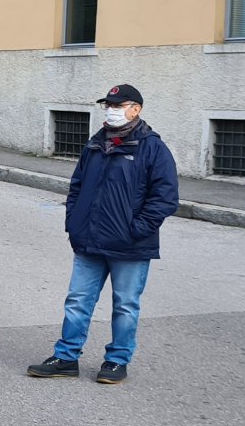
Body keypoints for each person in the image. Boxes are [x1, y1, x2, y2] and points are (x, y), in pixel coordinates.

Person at [28, 84, 179, 385]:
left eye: (118, 105)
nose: (111, 110)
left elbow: (165, 198)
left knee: (125, 304)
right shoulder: (96, 145)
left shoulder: (152, 148)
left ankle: (116, 360)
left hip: (130, 245)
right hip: (90, 240)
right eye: (108, 105)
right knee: (77, 300)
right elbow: (77, 187)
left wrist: (136, 229)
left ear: (135, 109)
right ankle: (67, 356)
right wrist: (75, 222)